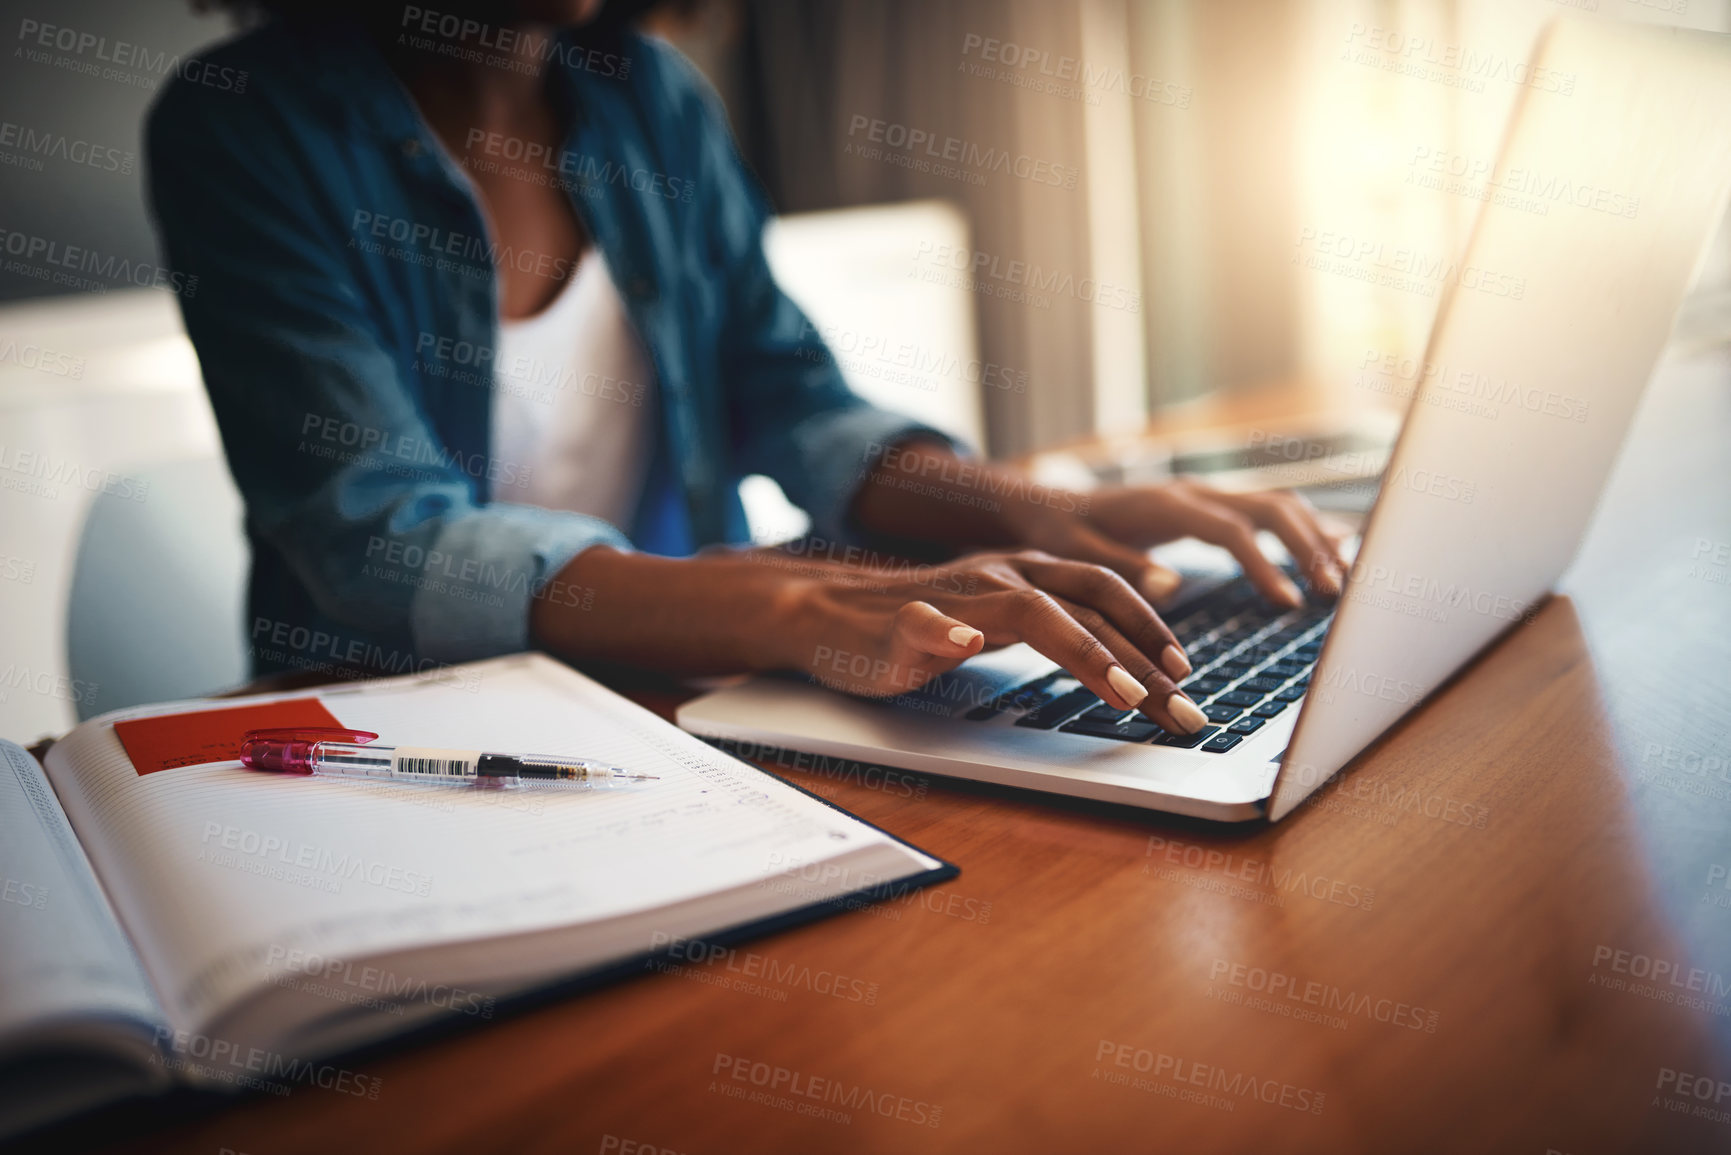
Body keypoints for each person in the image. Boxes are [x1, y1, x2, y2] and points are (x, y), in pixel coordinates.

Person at [149, 0, 1348, 737]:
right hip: (400, 725)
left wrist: (1044, 510)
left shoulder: (650, 99)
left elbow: (790, 395)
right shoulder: (240, 125)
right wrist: (792, 602)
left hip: (680, 688)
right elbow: (376, 537)